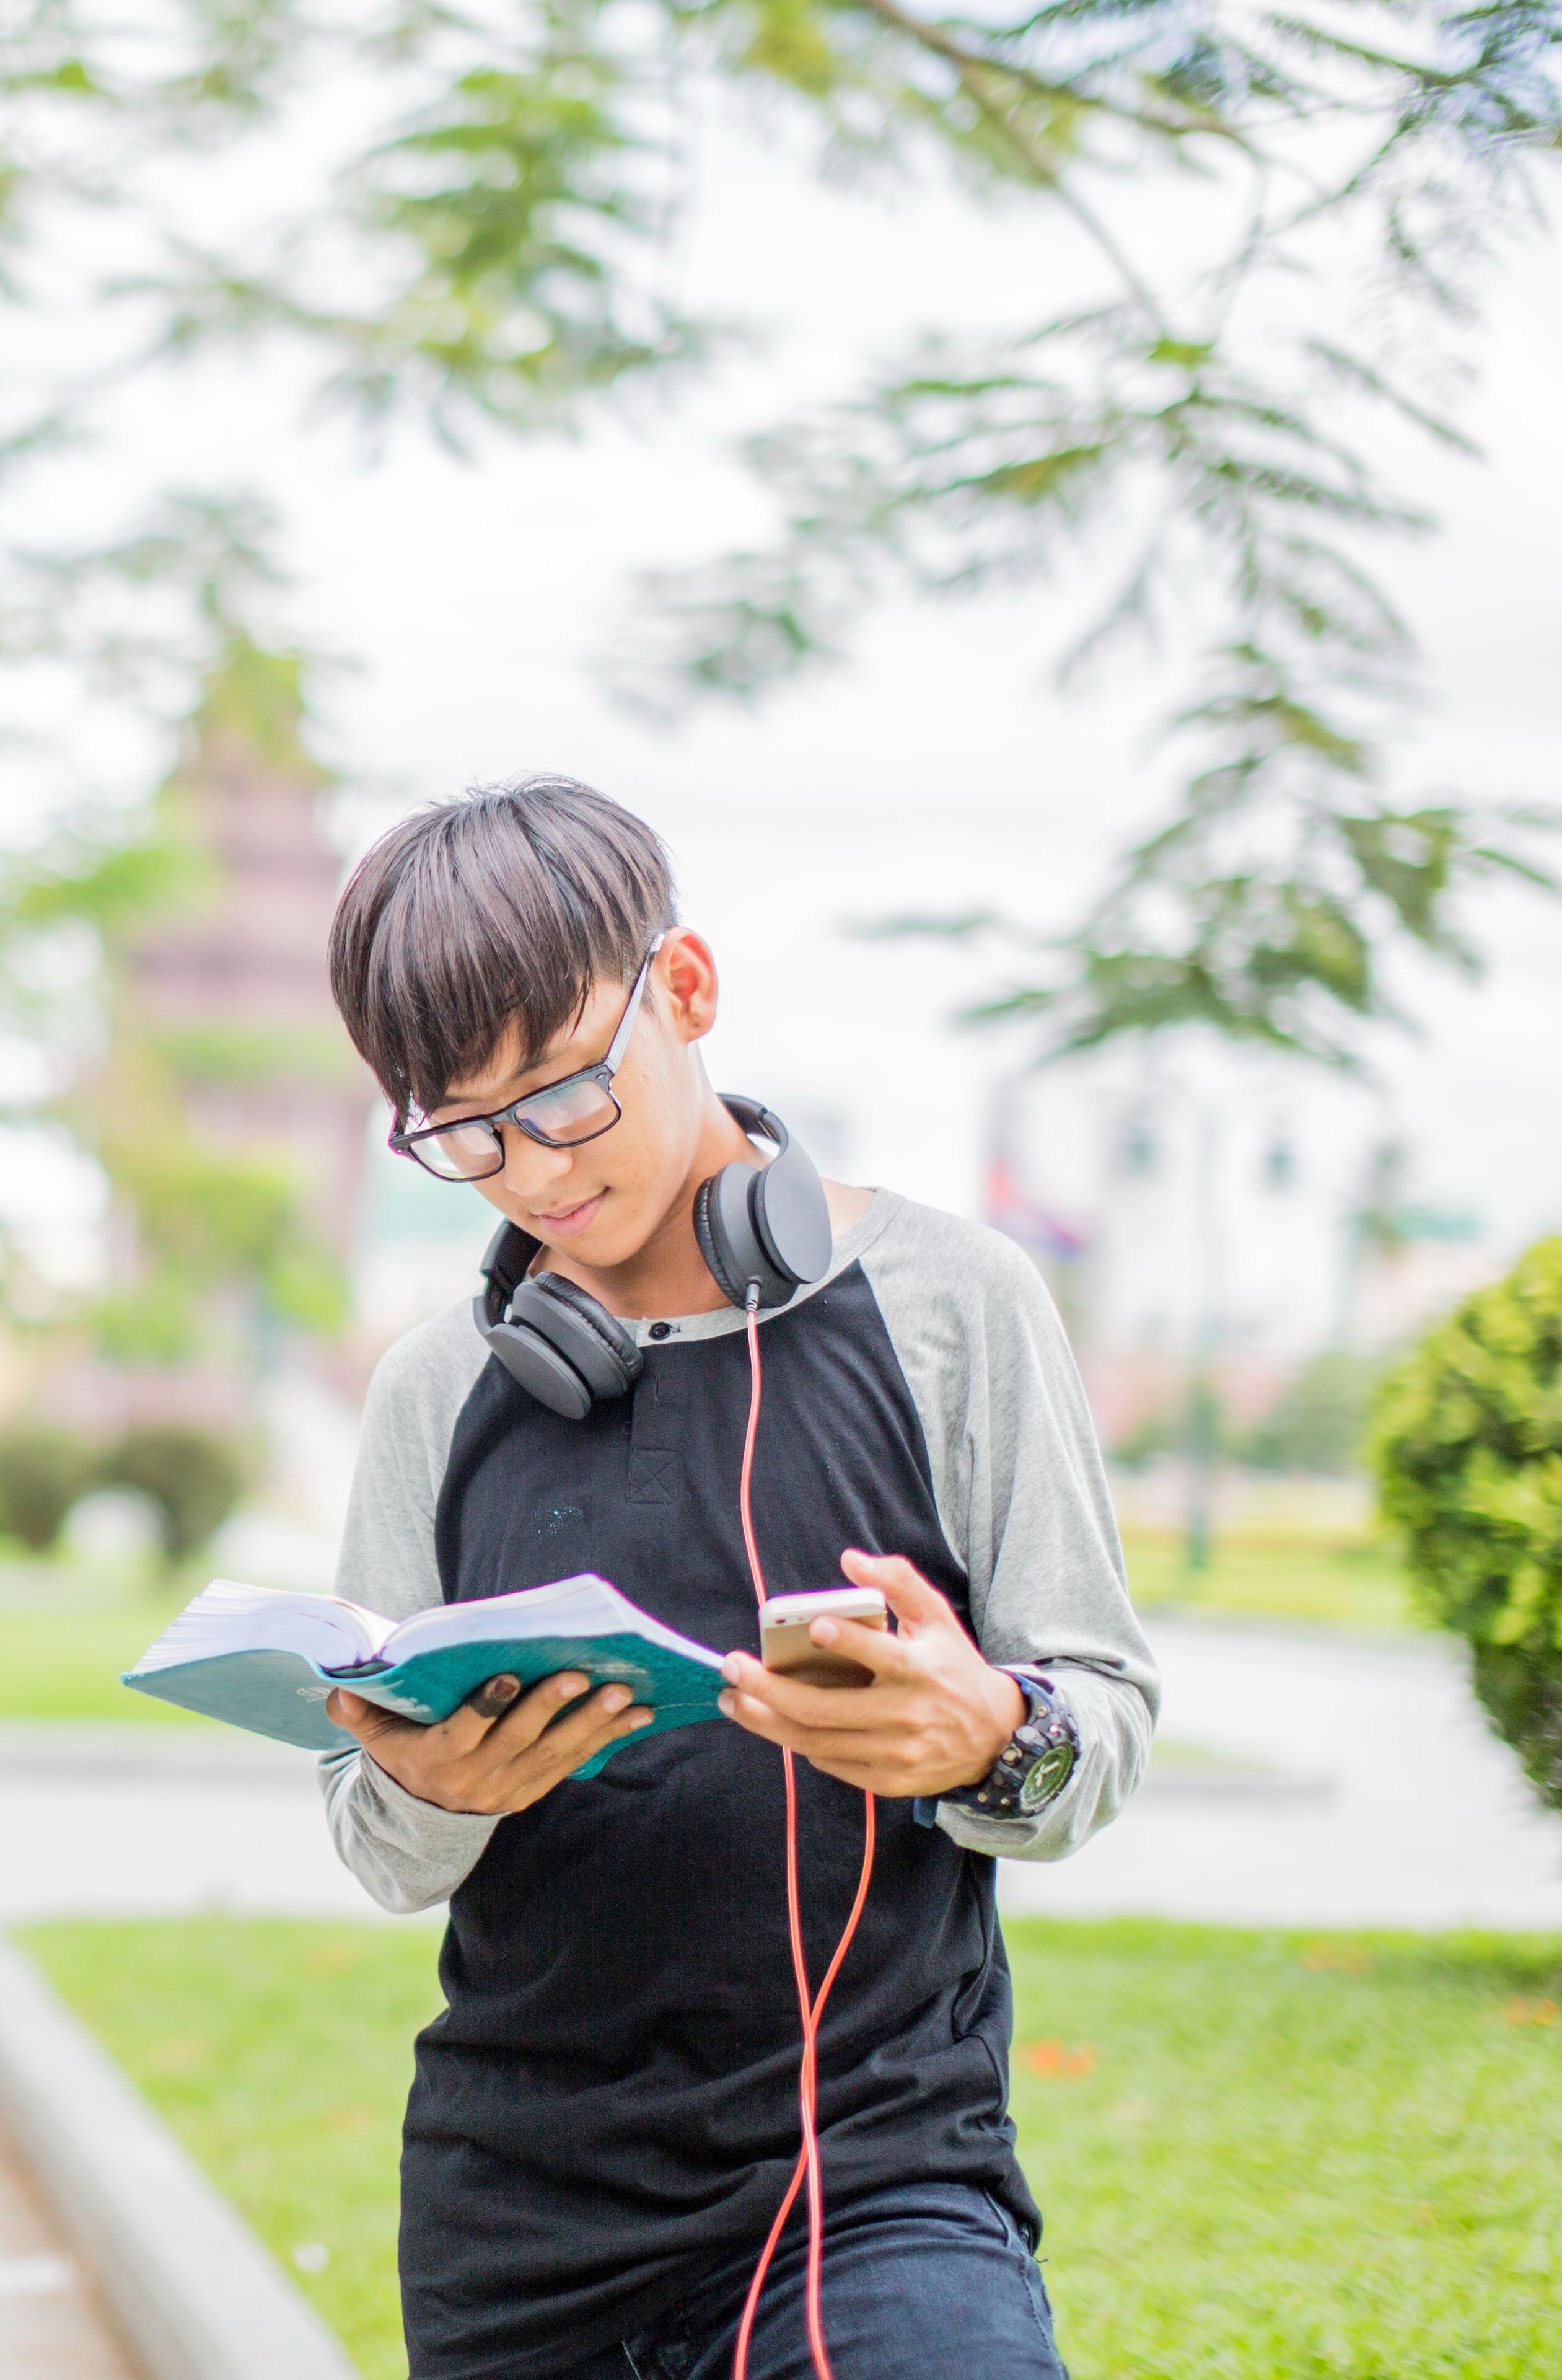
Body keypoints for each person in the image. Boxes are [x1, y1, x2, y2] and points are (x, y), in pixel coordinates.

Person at [317, 777, 1156, 2380]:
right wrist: (440, 1789)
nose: (532, 1172)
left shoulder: (952, 1306)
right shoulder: (437, 1391)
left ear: (685, 990)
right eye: (463, 1131)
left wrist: (993, 1735)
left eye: (561, 1092)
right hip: (518, 2231)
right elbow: (382, 1854)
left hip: (880, 2190)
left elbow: (1099, 1716)